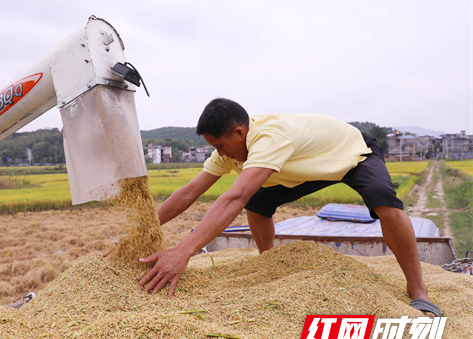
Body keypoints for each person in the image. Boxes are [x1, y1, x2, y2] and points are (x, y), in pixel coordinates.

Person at [138, 97, 441, 317]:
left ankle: (418, 290)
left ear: (240, 133)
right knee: (258, 203)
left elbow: (234, 197)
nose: (219, 152)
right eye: (213, 147)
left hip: (351, 154)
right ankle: (269, 261)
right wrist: (141, 231)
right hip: (305, 168)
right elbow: (189, 192)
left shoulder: (269, 137)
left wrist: (183, 251)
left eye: (220, 145)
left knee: (384, 202)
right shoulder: (227, 153)